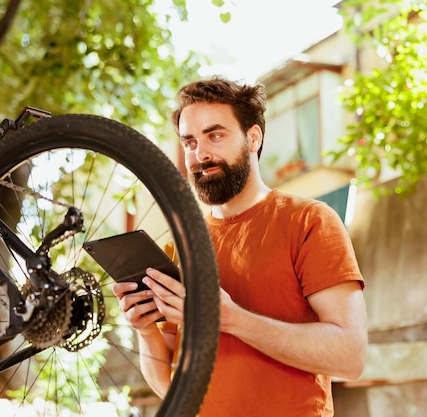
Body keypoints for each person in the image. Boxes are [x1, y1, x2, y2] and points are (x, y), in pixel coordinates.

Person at [113, 77, 367, 416]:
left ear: (253, 137)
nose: (200, 154)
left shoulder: (310, 221)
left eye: (215, 135)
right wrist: (145, 330)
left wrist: (230, 319)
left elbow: (349, 356)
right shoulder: (178, 250)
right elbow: (173, 388)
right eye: (189, 142)